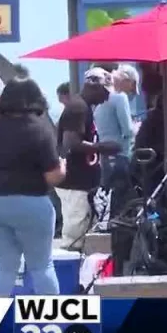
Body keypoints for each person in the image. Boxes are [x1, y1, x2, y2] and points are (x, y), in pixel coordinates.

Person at [0, 76, 65, 297]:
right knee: (41, 266)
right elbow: (53, 177)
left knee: (5, 265)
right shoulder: (39, 129)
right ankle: (52, 324)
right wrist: (63, 166)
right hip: (30, 203)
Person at [55, 70, 110, 251]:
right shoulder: (78, 108)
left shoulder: (83, 107)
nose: (107, 98)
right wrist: (103, 147)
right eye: (105, 92)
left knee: (83, 234)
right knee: (74, 237)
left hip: (83, 183)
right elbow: (71, 143)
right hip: (74, 182)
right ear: (94, 87)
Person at [94, 65, 138, 219]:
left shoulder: (102, 100)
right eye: (133, 85)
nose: (133, 92)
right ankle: (120, 238)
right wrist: (136, 127)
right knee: (121, 201)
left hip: (106, 157)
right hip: (120, 154)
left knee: (108, 199)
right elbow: (127, 130)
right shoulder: (120, 98)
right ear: (126, 80)